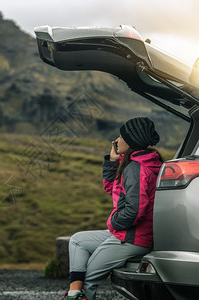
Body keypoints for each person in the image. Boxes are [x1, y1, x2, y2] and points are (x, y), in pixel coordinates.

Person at [62, 117, 163, 300]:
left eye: (121, 136)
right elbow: (112, 189)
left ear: (132, 141)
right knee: (78, 240)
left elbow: (134, 211)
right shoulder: (136, 164)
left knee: (87, 281)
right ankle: (74, 293)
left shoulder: (136, 168)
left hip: (132, 238)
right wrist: (112, 161)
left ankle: (76, 293)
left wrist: (113, 221)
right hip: (126, 234)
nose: (116, 140)